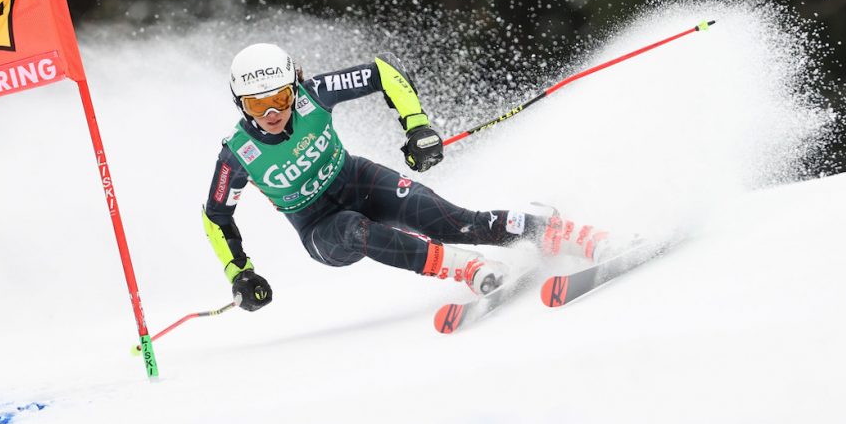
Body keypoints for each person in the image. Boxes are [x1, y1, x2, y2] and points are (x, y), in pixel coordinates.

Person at [202, 43, 613, 311]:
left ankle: (567, 236)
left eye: (280, 99)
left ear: (295, 87)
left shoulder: (316, 94)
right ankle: (464, 268)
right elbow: (216, 216)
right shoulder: (238, 154)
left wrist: (417, 126)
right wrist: (240, 272)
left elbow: (381, 72)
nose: (272, 114)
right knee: (352, 229)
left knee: (455, 221)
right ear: (240, 104)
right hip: (318, 228)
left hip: (358, 181)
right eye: (257, 106)